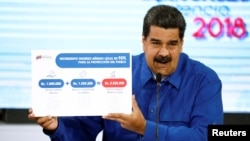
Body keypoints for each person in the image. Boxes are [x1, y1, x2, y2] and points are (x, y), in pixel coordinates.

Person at [28, 4, 223, 141]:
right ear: (143, 41)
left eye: (172, 44)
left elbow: (204, 136)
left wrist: (144, 129)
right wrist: (55, 126)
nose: (164, 52)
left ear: (181, 44)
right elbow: (83, 132)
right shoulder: (116, 74)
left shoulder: (205, 81)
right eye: (156, 43)